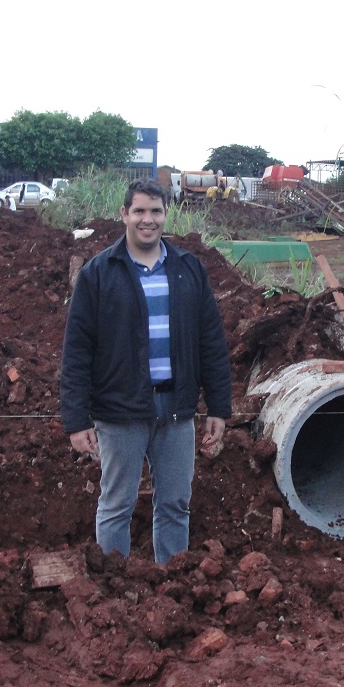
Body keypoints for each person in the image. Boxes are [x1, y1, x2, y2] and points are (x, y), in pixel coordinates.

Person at [60, 178, 232, 564]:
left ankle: (174, 585)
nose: (147, 220)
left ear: (166, 215)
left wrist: (219, 406)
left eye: (155, 211)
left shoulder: (189, 271)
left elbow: (211, 343)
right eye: (139, 211)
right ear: (124, 214)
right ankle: (113, 589)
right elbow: (76, 352)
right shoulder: (99, 274)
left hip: (176, 409)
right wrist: (75, 419)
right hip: (119, 411)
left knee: (175, 505)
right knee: (117, 504)